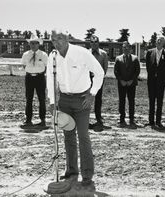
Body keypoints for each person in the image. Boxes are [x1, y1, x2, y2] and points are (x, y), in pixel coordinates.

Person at [46, 29, 104, 188]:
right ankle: (72, 172)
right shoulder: (53, 56)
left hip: (82, 100)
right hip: (64, 100)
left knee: (83, 137)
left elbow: (99, 72)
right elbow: (50, 80)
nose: (55, 42)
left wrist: (92, 94)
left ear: (67, 38)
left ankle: (87, 175)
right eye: (53, 40)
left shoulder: (82, 53)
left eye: (59, 39)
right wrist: (52, 102)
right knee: (68, 137)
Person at [146, 37, 165, 129]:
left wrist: (162, 78)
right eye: (157, 40)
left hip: (161, 82)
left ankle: (158, 121)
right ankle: (151, 121)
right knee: (151, 101)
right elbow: (147, 66)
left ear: (164, 43)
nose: (158, 41)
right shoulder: (150, 52)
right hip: (151, 82)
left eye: (160, 40)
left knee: (159, 102)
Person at [21, 34, 48, 127]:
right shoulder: (25, 55)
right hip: (29, 78)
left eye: (35, 43)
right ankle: (28, 119)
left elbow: (46, 66)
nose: (33, 45)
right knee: (29, 99)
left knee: (42, 99)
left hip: (40, 78)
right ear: (29, 44)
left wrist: (39, 72)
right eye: (31, 43)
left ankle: (43, 120)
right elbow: (24, 65)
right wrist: (30, 71)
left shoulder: (43, 55)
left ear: (38, 44)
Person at [114, 41, 140, 129]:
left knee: (131, 101)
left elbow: (137, 71)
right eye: (124, 47)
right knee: (122, 101)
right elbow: (116, 71)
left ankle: (131, 119)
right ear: (122, 48)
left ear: (130, 48)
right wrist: (121, 80)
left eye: (127, 47)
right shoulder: (118, 58)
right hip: (121, 84)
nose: (125, 49)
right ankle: (122, 119)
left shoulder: (135, 58)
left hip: (131, 84)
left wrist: (131, 80)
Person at [89, 35, 108, 131]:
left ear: (98, 43)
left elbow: (105, 69)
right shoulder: (86, 53)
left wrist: (99, 78)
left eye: (95, 42)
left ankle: (98, 118)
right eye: (92, 42)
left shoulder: (103, 54)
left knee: (98, 100)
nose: (94, 44)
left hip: (98, 81)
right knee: (87, 99)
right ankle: (85, 118)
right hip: (87, 80)